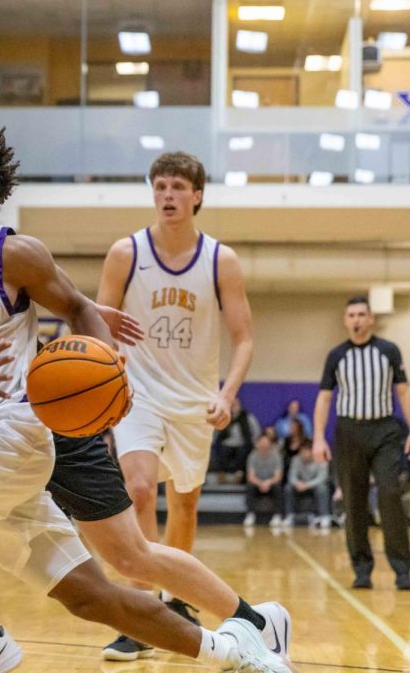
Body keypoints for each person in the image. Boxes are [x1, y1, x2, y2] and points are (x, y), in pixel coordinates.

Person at [0, 118, 286, 673]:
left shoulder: (11, 255)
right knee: (91, 596)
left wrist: (109, 374)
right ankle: (235, 649)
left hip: (16, 432)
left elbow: (79, 309)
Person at [95, 149, 255, 654]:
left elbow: (244, 338)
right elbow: (100, 321)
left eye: (178, 187)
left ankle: (175, 597)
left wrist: (227, 395)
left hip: (194, 400)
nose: (168, 195)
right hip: (137, 394)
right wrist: (106, 370)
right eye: (160, 186)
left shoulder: (219, 260)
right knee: (140, 488)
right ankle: (141, 613)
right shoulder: (127, 253)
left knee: (184, 502)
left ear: (197, 196)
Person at [313, 295, 410, 591]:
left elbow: (403, 393)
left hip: (385, 430)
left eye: (362, 314)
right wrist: (318, 437)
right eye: (352, 315)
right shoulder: (336, 355)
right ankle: (362, 569)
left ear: (371, 319)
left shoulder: (389, 351)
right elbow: (324, 398)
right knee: (354, 503)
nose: (357, 320)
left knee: (390, 494)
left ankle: (402, 570)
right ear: (346, 320)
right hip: (349, 432)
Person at [285, 444, 330, 528]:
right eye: (302, 452)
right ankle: (289, 516)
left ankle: (324, 516)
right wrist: (297, 483)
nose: (304, 454)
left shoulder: (321, 459)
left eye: (307, 451)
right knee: (288, 488)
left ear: (312, 452)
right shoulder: (296, 459)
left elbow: (322, 477)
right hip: (300, 484)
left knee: (323, 489)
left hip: (315, 485)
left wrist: (307, 485)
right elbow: (291, 476)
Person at [243, 435, 284, 528]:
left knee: (278, 487)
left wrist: (268, 482)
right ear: (257, 444)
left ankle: (277, 515)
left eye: (266, 443)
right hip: (258, 482)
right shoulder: (252, 456)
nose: (264, 445)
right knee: (250, 487)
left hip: (271, 482)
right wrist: (260, 483)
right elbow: (251, 476)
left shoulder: (276, 456)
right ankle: (250, 514)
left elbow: (278, 476)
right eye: (262, 443)